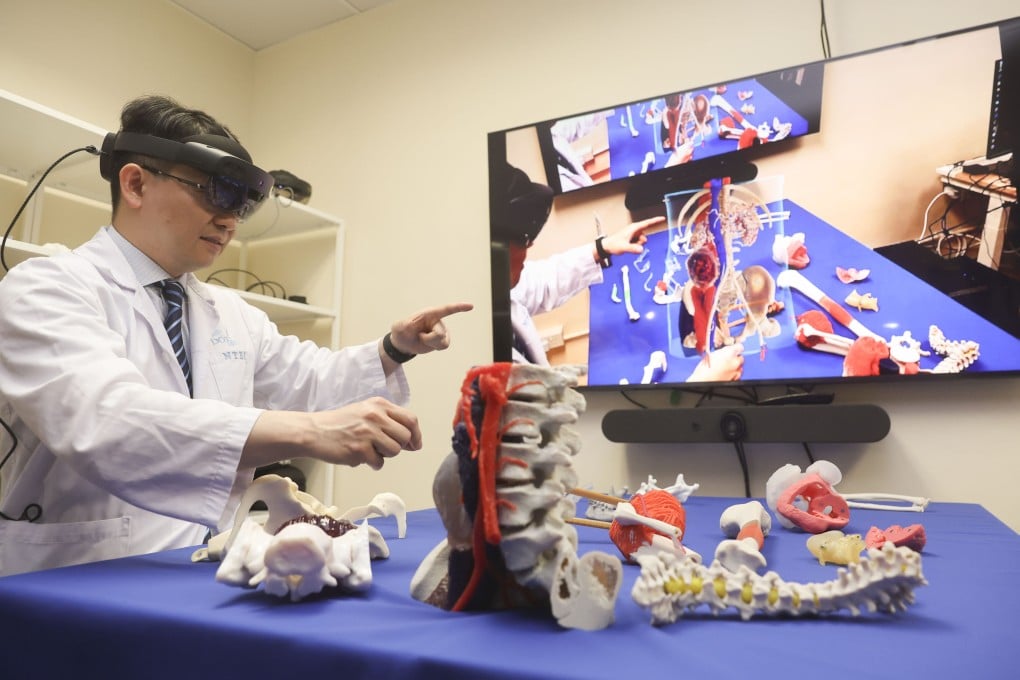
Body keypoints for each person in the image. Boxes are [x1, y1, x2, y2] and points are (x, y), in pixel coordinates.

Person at [0, 95, 472, 576]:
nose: (229, 220)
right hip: (77, 572)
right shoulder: (45, 288)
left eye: (241, 203)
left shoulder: (227, 312)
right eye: (213, 192)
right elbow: (107, 420)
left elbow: (307, 382)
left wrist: (393, 350)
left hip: (203, 568)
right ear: (136, 183)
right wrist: (311, 432)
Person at [496, 162, 743, 381]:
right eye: (524, 239)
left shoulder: (496, 289)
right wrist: (704, 380)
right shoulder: (496, 374)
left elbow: (538, 283)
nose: (530, 246)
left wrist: (602, 248)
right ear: (496, 249)